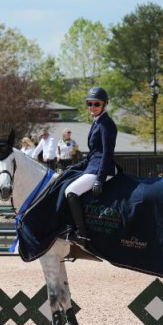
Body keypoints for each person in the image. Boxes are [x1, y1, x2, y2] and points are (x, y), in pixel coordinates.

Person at [65, 87, 118, 247]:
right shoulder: (97, 122)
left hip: (102, 169)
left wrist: (100, 180)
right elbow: (92, 154)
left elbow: (107, 153)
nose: (92, 107)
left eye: (97, 104)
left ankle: (82, 234)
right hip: (94, 165)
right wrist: (74, 168)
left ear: (104, 104)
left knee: (71, 191)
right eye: (90, 104)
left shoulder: (106, 124)